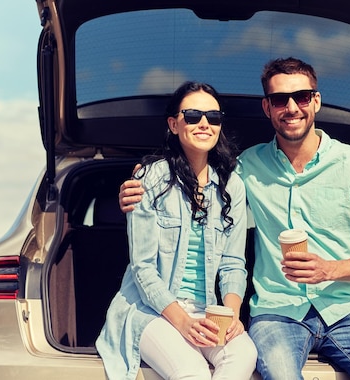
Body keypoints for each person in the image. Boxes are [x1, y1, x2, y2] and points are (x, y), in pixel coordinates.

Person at [119, 58, 350, 380]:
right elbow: (194, 173)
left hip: (346, 310)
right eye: (280, 100)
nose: (291, 107)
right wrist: (138, 181)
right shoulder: (245, 169)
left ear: (316, 101)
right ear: (267, 107)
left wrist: (329, 269)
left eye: (302, 97)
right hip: (276, 312)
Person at [96, 81, 257, 380]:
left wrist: (231, 315)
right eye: (193, 115)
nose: (204, 124)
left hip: (208, 311)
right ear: (173, 124)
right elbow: (143, 269)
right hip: (151, 310)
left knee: (245, 354)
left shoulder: (232, 187)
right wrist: (182, 322)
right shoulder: (150, 179)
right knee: (191, 371)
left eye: (214, 117)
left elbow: (234, 264)